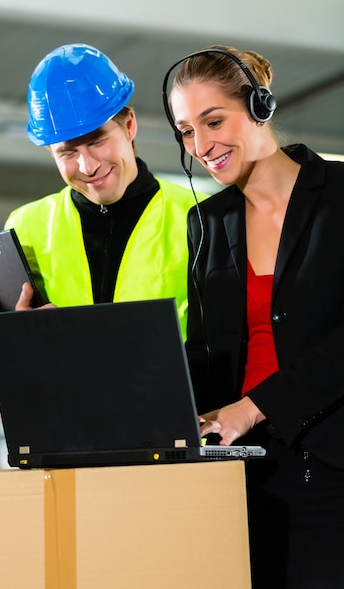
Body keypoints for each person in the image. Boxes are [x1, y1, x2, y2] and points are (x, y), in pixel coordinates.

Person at [163, 44, 344, 589]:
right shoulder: (207, 222)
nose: (201, 146)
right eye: (186, 131)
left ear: (260, 106)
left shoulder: (338, 196)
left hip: (330, 461)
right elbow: (208, 349)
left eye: (213, 120)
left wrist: (255, 405)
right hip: (242, 467)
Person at [0, 43, 207, 394]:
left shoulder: (200, 217)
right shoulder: (27, 226)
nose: (87, 166)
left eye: (97, 141)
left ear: (129, 125)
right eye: (67, 152)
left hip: (171, 440)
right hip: (65, 445)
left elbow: (232, 354)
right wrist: (21, 341)